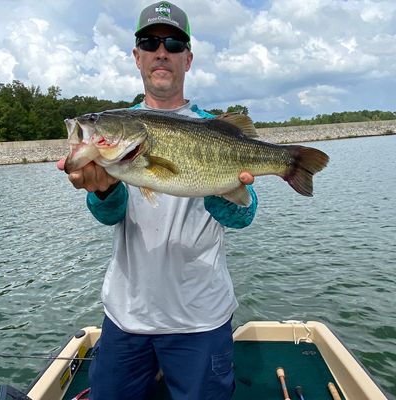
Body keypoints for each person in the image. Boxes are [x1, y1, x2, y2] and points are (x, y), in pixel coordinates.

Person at [58, 2, 258, 399]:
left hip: (200, 318)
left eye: (173, 42)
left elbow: (243, 215)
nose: (161, 51)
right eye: (149, 42)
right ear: (137, 57)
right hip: (127, 316)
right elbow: (110, 215)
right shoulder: (120, 138)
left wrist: (221, 188)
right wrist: (104, 189)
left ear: (188, 58)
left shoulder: (213, 129)